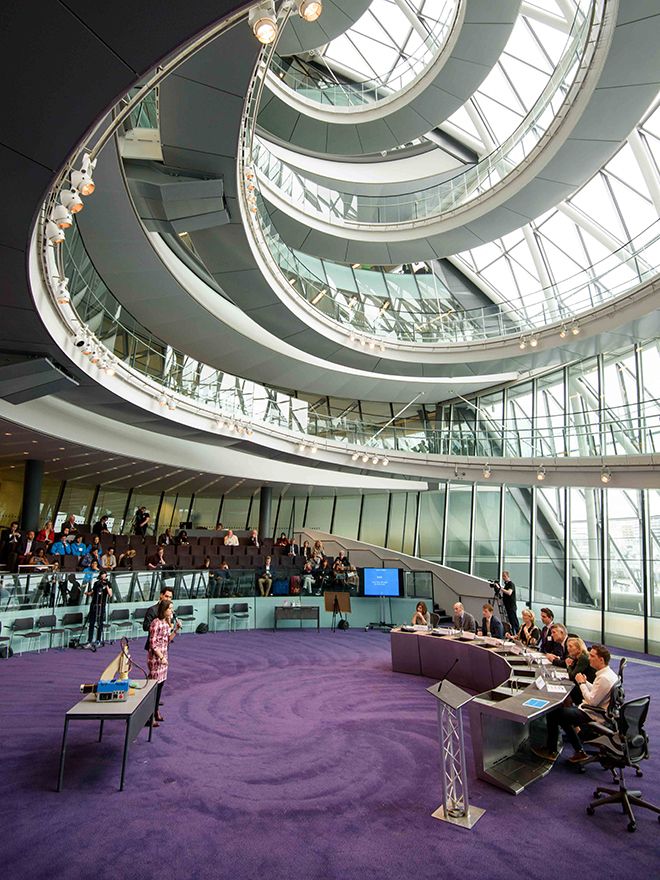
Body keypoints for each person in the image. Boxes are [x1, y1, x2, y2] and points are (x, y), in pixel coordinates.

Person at [533, 644, 619, 763]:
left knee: (553, 713)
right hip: (598, 710)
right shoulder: (608, 673)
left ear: (601, 660)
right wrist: (586, 682)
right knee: (562, 716)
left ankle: (551, 750)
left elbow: (592, 701)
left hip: (593, 713)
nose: (589, 658)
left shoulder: (604, 678)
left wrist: (581, 683)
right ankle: (579, 751)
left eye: (592, 656)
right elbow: (597, 690)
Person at [147, 599, 175, 726]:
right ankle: (149, 716)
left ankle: (155, 711)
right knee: (154, 688)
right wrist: (161, 657)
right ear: (164, 610)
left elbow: (167, 640)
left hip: (164, 656)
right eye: (170, 608)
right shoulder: (156, 623)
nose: (172, 611)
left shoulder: (166, 624)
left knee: (160, 686)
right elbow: (152, 644)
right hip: (156, 659)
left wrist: (176, 630)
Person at [565, 636, 595, 704]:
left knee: (566, 688)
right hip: (585, 684)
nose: (568, 649)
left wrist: (568, 666)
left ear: (579, 649)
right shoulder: (578, 657)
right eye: (567, 646)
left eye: (570, 646)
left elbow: (572, 676)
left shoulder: (583, 658)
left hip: (588, 688)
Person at [85, 570, 112, 645]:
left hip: (101, 605)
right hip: (94, 604)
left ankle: (98, 640)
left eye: (105, 575)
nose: (103, 577)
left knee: (100, 623)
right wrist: (88, 593)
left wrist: (106, 586)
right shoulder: (96, 583)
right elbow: (93, 592)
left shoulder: (108, 584)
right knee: (92, 622)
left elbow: (110, 594)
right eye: (102, 575)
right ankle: (89, 640)